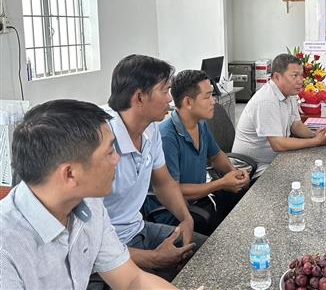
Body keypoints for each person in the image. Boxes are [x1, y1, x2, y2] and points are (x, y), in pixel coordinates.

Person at [0, 99, 176, 289]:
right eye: (109, 152)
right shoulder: (7, 249)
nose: (117, 159)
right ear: (70, 174)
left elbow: (132, 279)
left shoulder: (90, 205)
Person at [103, 54, 205, 282]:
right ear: (139, 97)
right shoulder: (101, 143)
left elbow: (164, 182)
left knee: (207, 252)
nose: (170, 99)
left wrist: (186, 218)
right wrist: (153, 259)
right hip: (108, 252)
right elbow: (89, 247)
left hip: (138, 230)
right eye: (165, 90)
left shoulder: (150, 131)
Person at [144, 70, 250, 235]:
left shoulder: (200, 124)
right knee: (218, 227)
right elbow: (173, 190)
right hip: (172, 211)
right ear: (188, 102)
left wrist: (234, 173)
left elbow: (216, 156)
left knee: (242, 195)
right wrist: (221, 183)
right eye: (207, 97)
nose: (213, 101)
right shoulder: (166, 137)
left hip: (199, 198)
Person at [232, 53, 326, 176]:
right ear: (277, 77)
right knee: (303, 176)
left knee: (314, 168)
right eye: (294, 76)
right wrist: (316, 141)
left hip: (275, 158)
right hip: (252, 167)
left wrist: (315, 134)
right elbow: (278, 144)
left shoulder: (289, 94)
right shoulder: (267, 100)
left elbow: (296, 125)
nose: (300, 81)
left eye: (301, 75)